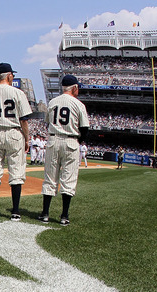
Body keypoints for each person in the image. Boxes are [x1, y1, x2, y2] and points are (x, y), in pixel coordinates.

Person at [0, 62, 32, 221]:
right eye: (12, 75)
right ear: (9, 75)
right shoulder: (18, 92)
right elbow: (24, 120)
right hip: (14, 132)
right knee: (16, 172)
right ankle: (15, 211)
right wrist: (27, 139)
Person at [38, 74, 90, 226]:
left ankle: (45, 213)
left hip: (53, 139)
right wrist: (78, 140)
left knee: (50, 178)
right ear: (74, 88)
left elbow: (47, 121)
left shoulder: (53, 101)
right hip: (71, 140)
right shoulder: (78, 104)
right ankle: (64, 215)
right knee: (68, 179)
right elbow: (85, 128)